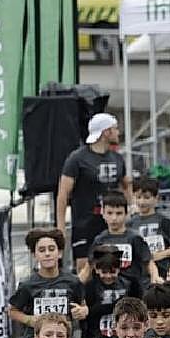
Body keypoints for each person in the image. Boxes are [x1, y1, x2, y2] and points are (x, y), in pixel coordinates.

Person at [56, 113, 131, 273]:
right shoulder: (77, 158)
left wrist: (131, 209)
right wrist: (61, 227)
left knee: (114, 263)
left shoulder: (117, 158)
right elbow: (63, 194)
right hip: (85, 222)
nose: (118, 133)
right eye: (115, 129)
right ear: (106, 132)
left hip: (111, 222)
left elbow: (126, 184)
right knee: (84, 267)